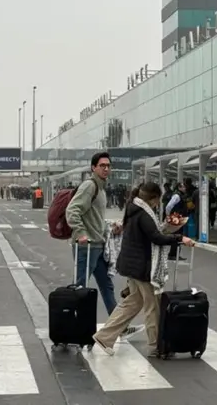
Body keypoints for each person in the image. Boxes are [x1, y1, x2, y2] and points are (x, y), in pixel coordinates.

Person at [93, 182, 194, 356]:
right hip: (143, 267)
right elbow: (156, 237)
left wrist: (166, 228)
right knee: (152, 307)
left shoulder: (133, 208)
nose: (157, 204)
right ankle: (155, 346)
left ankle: (104, 336)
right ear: (153, 199)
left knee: (133, 303)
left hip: (132, 264)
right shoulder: (144, 214)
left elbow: (150, 234)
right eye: (157, 200)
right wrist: (179, 238)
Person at [67, 152, 118, 315]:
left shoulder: (101, 188)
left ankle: (117, 324)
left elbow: (94, 217)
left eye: (108, 166)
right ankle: (71, 322)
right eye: (102, 165)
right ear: (93, 168)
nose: (106, 169)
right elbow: (72, 210)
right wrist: (81, 233)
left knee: (107, 285)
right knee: (79, 288)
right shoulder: (89, 186)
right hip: (86, 246)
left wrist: (110, 226)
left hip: (99, 245)